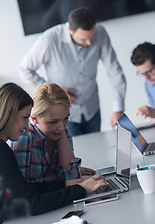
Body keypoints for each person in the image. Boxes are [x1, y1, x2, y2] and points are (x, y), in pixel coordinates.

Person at [0, 82, 107, 216]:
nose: (26, 126)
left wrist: (65, 184)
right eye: (25, 117)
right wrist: (81, 189)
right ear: (8, 115)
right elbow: (31, 204)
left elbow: (25, 190)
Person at [19, 7, 126, 136]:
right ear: (70, 30)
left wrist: (118, 108)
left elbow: (114, 71)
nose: (89, 43)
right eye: (83, 39)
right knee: (74, 154)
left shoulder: (100, 32)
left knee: (96, 150)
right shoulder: (49, 40)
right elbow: (25, 69)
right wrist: (53, 92)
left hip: (92, 109)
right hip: (63, 115)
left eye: (91, 38)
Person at [11, 83, 95, 183]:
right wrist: (54, 179)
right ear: (34, 119)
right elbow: (21, 187)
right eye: (53, 122)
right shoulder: (24, 137)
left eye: (66, 118)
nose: (61, 127)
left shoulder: (61, 130)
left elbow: (72, 178)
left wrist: (62, 139)